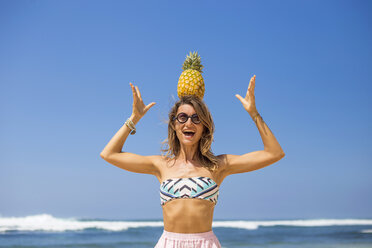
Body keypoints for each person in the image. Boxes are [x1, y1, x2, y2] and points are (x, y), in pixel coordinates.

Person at [100, 75, 285, 248]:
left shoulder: (218, 165)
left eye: (196, 118)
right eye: (183, 117)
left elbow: (274, 153)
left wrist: (254, 114)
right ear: (174, 124)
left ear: (204, 127)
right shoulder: (161, 165)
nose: (189, 123)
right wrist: (134, 118)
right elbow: (109, 154)